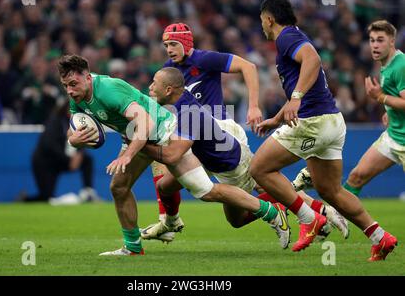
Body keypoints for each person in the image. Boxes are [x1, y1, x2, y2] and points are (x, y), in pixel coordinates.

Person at [59, 54, 290, 256]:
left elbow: (146, 122)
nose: (70, 90)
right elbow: (74, 126)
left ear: (88, 77)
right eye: (65, 85)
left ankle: (270, 211)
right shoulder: (76, 97)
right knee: (120, 187)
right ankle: (134, 247)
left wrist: (127, 155)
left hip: (162, 132)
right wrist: (73, 139)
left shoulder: (108, 90)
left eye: (73, 83)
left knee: (205, 191)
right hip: (137, 137)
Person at [146, 22, 346, 243]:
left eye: (173, 43)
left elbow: (248, 67)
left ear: (186, 42)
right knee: (236, 217)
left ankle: (314, 213)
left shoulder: (203, 59)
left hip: (220, 132)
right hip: (199, 136)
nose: (169, 49)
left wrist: (253, 106)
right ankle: (317, 211)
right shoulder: (168, 72)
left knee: (179, 170)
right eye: (166, 45)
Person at [250, 0, 397, 261]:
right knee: (331, 191)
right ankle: (380, 237)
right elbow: (309, 83)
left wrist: (295, 98)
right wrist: (277, 117)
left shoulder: (285, 38)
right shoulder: (294, 36)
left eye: (262, 20)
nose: (262, 26)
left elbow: (313, 59)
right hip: (332, 122)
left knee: (259, 169)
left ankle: (310, 219)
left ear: (269, 19)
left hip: (313, 122)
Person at [140, 67, 290, 249]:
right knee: (164, 186)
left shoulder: (189, 114)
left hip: (230, 166)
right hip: (206, 156)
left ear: (169, 90)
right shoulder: (179, 99)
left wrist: (142, 145)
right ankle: (170, 224)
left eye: (155, 83)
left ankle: (275, 209)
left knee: (236, 220)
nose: (150, 86)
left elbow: (172, 156)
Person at [342, 20, 405, 196]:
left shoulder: (401, 65)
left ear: (392, 41)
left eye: (380, 40)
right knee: (356, 176)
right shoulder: (387, 64)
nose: (375, 45)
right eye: (372, 40)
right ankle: (336, 220)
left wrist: (380, 97)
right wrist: (390, 111)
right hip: (394, 137)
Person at [20, 99, 100, 204]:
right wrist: (69, 159)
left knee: (87, 159)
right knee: (46, 197)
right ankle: (25, 200)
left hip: (61, 159)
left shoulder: (78, 124)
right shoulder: (55, 121)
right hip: (45, 162)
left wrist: (79, 154)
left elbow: (81, 140)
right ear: (66, 108)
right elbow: (49, 145)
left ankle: (88, 192)